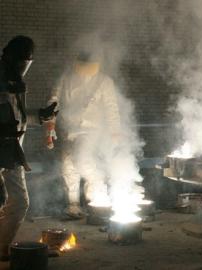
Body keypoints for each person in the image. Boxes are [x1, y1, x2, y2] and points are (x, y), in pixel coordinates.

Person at [0, 36, 56, 261]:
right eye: (22, 61)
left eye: (27, 62)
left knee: (19, 202)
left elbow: (18, 118)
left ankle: (2, 247)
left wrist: (39, 116)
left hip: (11, 153)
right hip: (2, 151)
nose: (24, 66)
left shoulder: (16, 84)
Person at [47, 52, 121, 219]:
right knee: (68, 167)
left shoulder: (104, 81)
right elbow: (53, 102)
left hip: (91, 132)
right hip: (68, 130)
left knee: (84, 162)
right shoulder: (66, 79)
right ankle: (73, 205)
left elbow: (111, 108)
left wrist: (115, 133)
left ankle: (97, 199)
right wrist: (49, 127)